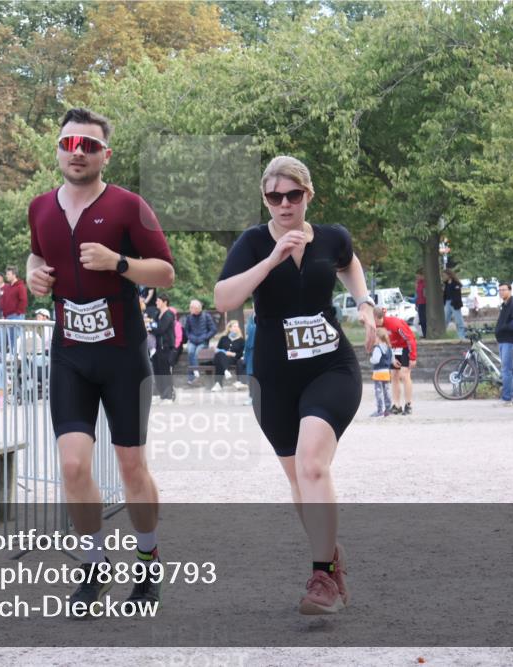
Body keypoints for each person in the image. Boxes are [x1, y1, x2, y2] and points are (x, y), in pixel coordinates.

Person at [25, 107, 175, 612]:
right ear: (58, 149)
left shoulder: (130, 206)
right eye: (69, 144)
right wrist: (33, 274)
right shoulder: (40, 208)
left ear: (105, 155)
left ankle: (148, 560)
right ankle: (94, 566)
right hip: (70, 354)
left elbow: (166, 273)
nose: (78, 153)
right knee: (72, 465)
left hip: (122, 355)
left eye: (88, 146)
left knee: (132, 466)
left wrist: (120, 263)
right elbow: (37, 254)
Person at [214, 155, 376, 615]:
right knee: (299, 480)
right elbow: (223, 298)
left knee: (312, 466)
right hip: (274, 377)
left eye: (293, 195)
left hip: (331, 367)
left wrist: (364, 304)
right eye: (274, 196)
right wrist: (271, 260)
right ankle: (332, 556)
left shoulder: (331, 237)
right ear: (265, 200)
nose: (284, 204)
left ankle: (321, 578)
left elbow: (350, 263)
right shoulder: (252, 243)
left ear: (308, 195)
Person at [374, 307, 417, 415]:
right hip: (394, 349)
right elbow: (384, 342)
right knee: (394, 375)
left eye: (374, 320)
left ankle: (408, 404)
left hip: (405, 347)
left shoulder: (393, 323)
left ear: (378, 318)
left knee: (404, 375)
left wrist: (413, 357)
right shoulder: (377, 326)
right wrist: (391, 358)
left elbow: (409, 338)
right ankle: (397, 405)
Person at [150, 294, 176, 403]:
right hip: (157, 347)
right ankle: (162, 394)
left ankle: (168, 396)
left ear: (165, 302)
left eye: (158, 301)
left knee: (165, 372)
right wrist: (152, 327)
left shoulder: (169, 314)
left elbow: (161, 329)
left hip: (166, 347)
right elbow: (153, 325)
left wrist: (151, 327)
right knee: (158, 371)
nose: (156, 302)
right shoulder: (157, 314)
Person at [183, 300, 216, 385]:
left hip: (203, 341)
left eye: (191, 307)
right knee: (190, 352)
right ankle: (194, 374)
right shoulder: (189, 317)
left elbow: (213, 330)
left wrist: (205, 337)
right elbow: (186, 331)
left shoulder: (206, 316)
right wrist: (191, 337)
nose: (190, 309)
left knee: (197, 353)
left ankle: (194, 375)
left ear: (197, 308)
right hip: (193, 340)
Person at [210, 320, 245, 392]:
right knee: (220, 355)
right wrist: (222, 351)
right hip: (221, 357)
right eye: (234, 326)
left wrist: (232, 354)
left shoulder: (241, 340)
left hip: (233, 359)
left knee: (219, 360)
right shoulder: (223, 338)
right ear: (229, 328)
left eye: (237, 326)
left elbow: (241, 354)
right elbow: (218, 349)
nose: (236, 328)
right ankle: (226, 370)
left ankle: (218, 384)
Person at [1, 266, 28, 356]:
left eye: (8, 274)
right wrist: (4, 313)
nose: (6, 276)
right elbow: (4, 300)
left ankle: (18, 357)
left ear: (14, 275)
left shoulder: (20, 286)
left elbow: (23, 300)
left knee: (17, 337)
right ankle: (13, 356)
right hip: (8, 316)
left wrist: (18, 312)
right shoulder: (8, 287)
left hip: (17, 315)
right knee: (11, 338)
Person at [369, 327, 393, 417]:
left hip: (378, 373)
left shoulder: (377, 348)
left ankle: (380, 410)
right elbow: (392, 360)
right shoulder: (389, 348)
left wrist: (371, 359)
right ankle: (388, 409)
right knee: (387, 391)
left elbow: (376, 360)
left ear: (378, 338)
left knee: (378, 392)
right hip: (386, 372)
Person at [442, 269, 466, 339]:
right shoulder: (446, 284)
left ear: (449, 275)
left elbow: (457, 295)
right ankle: (442, 335)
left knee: (458, 320)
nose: (443, 277)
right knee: (445, 320)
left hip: (455, 303)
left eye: (444, 275)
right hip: (447, 303)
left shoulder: (456, 283)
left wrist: (456, 302)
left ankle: (461, 336)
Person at [242, 312, 256, 406]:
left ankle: (255, 397)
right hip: (251, 352)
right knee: (251, 376)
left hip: (258, 351)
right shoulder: (251, 317)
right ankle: (252, 397)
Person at [414, 268, 427, 338]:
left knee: (423, 320)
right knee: (419, 321)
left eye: (418, 276)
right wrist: (416, 304)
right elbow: (417, 295)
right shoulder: (418, 283)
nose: (417, 278)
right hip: (420, 303)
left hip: (424, 303)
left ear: (422, 275)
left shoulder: (425, 283)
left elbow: (425, 295)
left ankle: (425, 334)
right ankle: (423, 335)